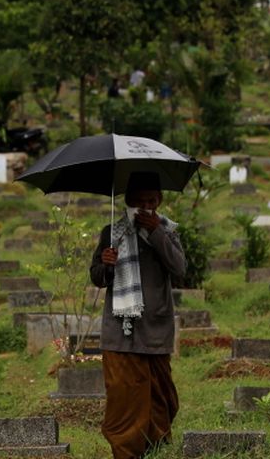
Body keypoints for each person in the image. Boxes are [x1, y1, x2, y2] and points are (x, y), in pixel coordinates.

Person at [89, 172, 186, 459]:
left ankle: (154, 450)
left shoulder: (168, 231)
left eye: (152, 201)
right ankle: (126, 454)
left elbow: (179, 269)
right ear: (128, 200)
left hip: (155, 327)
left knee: (162, 399)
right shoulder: (111, 233)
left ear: (160, 201)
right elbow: (97, 277)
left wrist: (156, 232)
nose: (145, 207)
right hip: (120, 332)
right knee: (123, 398)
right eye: (139, 201)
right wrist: (106, 264)